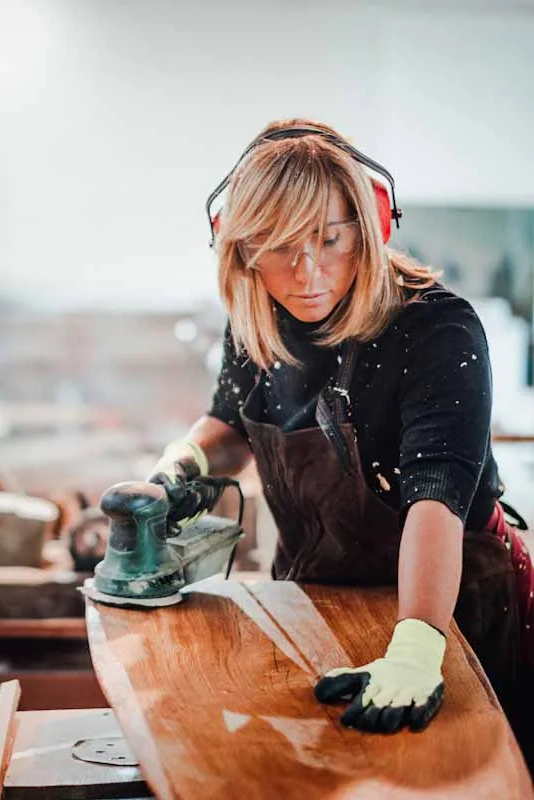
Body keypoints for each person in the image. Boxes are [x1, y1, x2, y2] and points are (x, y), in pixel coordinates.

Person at [149, 119, 533, 762]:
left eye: (329, 240)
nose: (307, 273)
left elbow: (435, 500)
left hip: (452, 608)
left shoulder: (437, 330)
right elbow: (231, 424)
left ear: (371, 225)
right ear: (240, 249)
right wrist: (182, 462)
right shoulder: (256, 322)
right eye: (278, 247)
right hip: (318, 592)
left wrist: (415, 648)